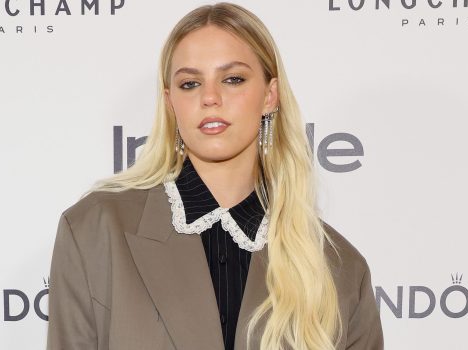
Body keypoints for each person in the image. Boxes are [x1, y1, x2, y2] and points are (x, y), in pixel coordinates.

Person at [46, 2, 383, 350]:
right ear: (170, 103)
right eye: (190, 83)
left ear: (269, 96)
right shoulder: (97, 230)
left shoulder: (338, 269)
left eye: (233, 79)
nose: (210, 97)